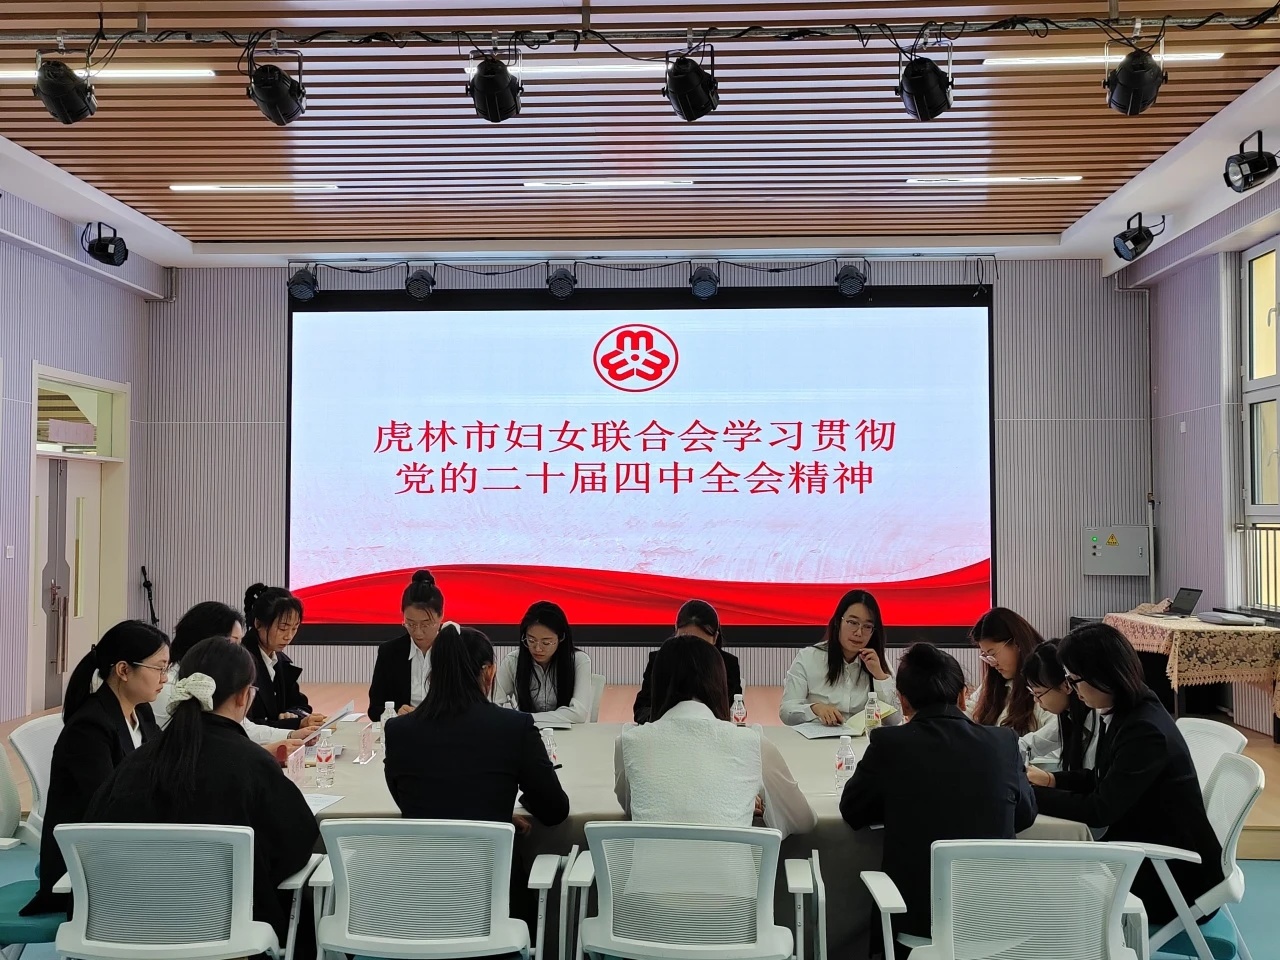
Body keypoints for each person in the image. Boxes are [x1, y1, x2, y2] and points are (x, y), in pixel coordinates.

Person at [87, 637, 319, 942]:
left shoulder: (136, 763)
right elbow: (296, 845)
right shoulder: (253, 763)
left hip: (127, 932)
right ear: (243, 697)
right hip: (227, 936)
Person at [840, 642, 1036, 950]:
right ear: (962, 696)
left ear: (903, 701)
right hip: (997, 919)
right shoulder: (1003, 742)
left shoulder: (890, 743)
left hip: (916, 921)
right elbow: (1024, 815)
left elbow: (853, 811)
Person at [1031, 623, 1223, 926]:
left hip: (1176, 880)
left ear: (1102, 676)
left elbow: (1100, 809)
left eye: (1073, 679)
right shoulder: (1129, 708)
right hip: (1152, 853)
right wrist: (1051, 780)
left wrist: (1029, 796)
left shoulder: (1143, 730)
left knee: (1048, 883)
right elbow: (1104, 777)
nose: (1072, 689)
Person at [21, 620, 170, 916]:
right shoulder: (89, 727)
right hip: (86, 864)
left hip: (123, 847)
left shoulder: (142, 711)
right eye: (159, 668)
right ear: (124, 670)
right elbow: (108, 806)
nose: (165, 678)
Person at [616, 635, 816, 838]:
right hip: (734, 860)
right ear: (719, 683)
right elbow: (803, 821)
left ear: (657, 684)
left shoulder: (629, 742)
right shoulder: (753, 743)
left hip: (651, 860)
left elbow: (635, 806)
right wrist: (743, 801)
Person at [383, 622, 569, 826]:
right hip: (492, 847)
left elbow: (409, 801)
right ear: (489, 671)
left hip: (424, 847)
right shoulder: (515, 727)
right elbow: (554, 810)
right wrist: (501, 813)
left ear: (432, 672)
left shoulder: (397, 730)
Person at [155, 600, 314, 751]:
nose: (239, 652)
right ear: (206, 641)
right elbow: (203, 747)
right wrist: (266, 751)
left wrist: (291, 735)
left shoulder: (213, 680)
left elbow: (244, 727)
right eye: (232, 643)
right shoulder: (167, 688)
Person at [780, 589, 899, 726]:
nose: (859, 632)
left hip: (863, 738)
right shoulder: (808, 658)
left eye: (867, 626)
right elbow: (786, 712)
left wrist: (879, 676)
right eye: (853, 622)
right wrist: (814, 709)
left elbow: (894, 721)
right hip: (819, 737)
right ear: (838, 622)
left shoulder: (877, 661)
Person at [633, 600, 741, 723]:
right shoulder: (660, 659)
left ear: (715, 638)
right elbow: (642, 708)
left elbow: (733, 710)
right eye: (684, 639)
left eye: (700, 644)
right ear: (676, 631)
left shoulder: (728, 664)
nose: (690, 649)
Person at [493, 601, 593, 724]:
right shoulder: (513, 661)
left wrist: (526, 718)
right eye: (531, 640)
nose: (537, 648)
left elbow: (578, 713)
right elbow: (493, 704)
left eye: (546, 642)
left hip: (569, 732)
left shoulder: (579, 660)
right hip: (527, 731)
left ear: (561, 638)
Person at [242, 584, 322, 730]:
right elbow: (246, 725)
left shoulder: (280, 661)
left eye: (294, 628)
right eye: (283, 628)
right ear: (258, 624)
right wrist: (292, 723)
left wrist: (293, 714)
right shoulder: (240, 662)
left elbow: (300, 704)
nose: (289, 636)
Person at [368, 569, 444, 721]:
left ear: (441, 615)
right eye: (410, 624)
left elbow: (470, 706)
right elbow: (374, 709)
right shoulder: (389, 652)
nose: (418, 632)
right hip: (405, 729)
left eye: (426, 624)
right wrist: (396, 712)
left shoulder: (458, 651)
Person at [966, 607, 1053, 736]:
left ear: (1017, 643)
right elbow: (971, 710)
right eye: (985, 656)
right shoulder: (996, 680)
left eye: (993, 654)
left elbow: (1053, 736)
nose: (992, 663)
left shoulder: (1046, 681)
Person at [1020, 640, 1100, 772]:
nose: (1036, 700)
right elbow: (1030, 744)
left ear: (1066, 686)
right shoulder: (1069, 716)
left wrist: (1049, 780)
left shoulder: (1099, 720)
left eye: (1038, 693)